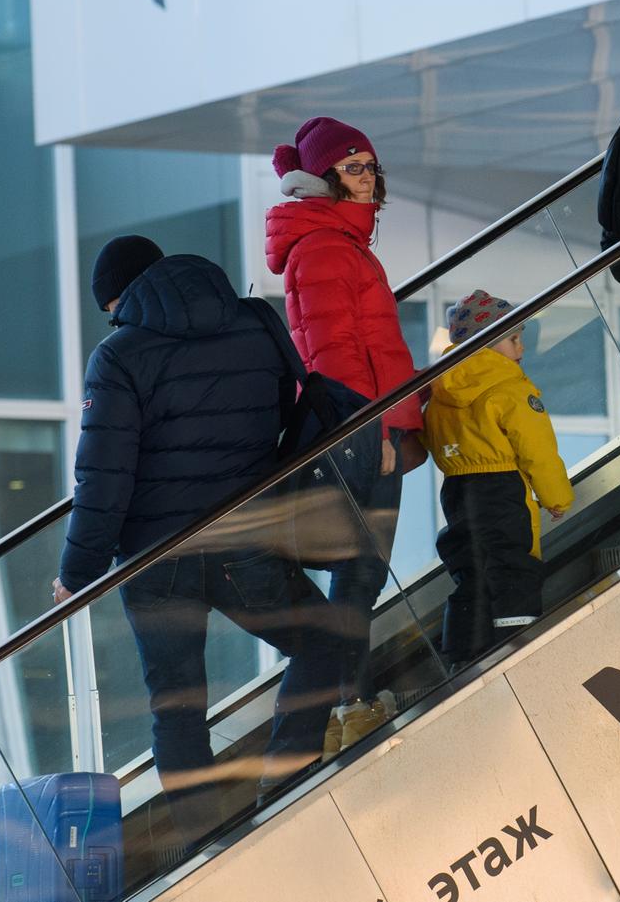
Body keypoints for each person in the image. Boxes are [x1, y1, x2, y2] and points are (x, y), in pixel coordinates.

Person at [53, 236, 342, 849]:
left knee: (178, 709)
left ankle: (206, 851)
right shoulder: (255, 322)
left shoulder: (118, 355)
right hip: (244, 538)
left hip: (156, 559)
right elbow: (286, 418)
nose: (114, 321)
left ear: (120, 297)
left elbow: (103, 477)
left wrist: (77, 576)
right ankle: (286, 777)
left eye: (111, 309)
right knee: (323, 642)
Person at [264, 116, 425, 755]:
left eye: (370, 167)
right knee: (360, 575)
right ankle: (349, 707)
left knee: (360, 576)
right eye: (353, 168)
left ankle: (342, 709)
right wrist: (374, 432)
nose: (367, 178)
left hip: (369, 428)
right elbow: (335, 356)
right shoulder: (326, 247)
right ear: (323, 178)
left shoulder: (341, 243)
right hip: (362, 433)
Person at [422, 291, 574, 670]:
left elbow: (431, 439)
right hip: (502, 487)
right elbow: (537, 449)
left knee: (471, 572)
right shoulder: (510, 389)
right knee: (513, 567)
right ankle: (518, 650)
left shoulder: (440, 392)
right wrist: (556, 498)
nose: (521, 348)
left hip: (456, 490)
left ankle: (461, 657)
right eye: (514, 338)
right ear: (487, 343)